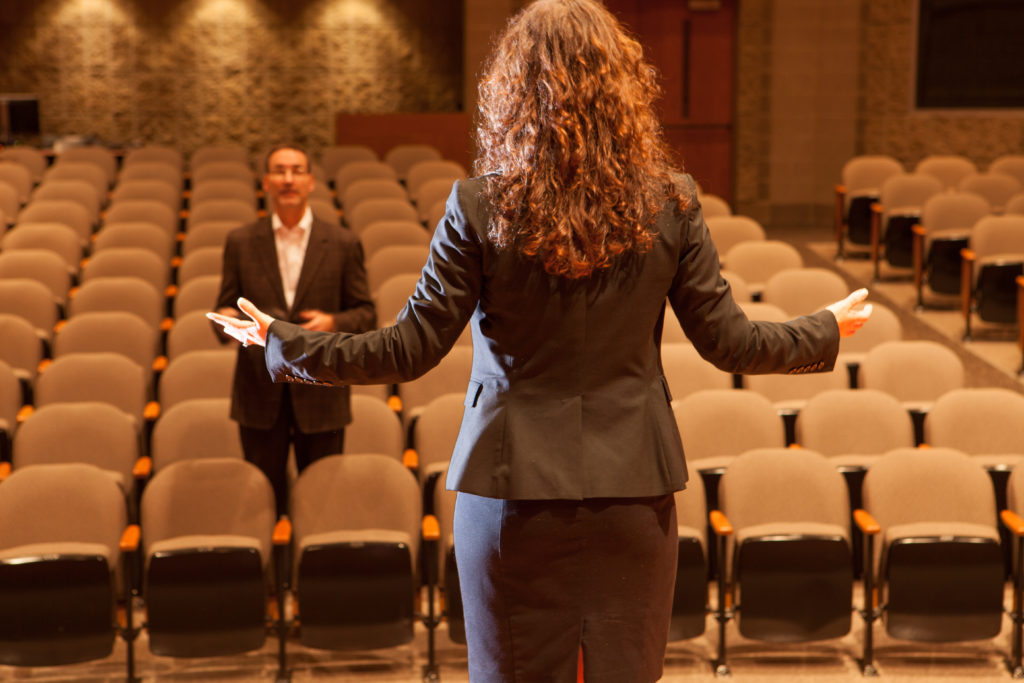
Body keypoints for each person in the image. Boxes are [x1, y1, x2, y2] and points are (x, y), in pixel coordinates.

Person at [209, 1, 871, 680]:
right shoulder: (672, 201)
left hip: (510, 495)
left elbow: (408, 348)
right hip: (632, 493)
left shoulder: (477, 205)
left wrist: (280, 341)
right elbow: (732, 343)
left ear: (513, 92)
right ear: (622, 89)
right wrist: (823, 327)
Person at [213, 143, 375, 516]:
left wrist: (333, 323)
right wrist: (232, 324)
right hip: (259, 391)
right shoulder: (240, 241)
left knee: (322, 505)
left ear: (311, 181)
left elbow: (366, 315)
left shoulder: (343, 242)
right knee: (261, 506)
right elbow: (224, 307)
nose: (288, 179)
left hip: (322, 390)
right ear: (265, 182)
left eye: (297, 171)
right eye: (279, 171)